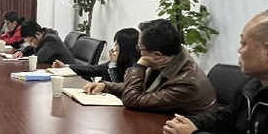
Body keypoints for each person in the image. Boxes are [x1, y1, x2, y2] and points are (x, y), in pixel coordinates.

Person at [83, 19, 216, 114]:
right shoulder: (167, 60)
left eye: (139, 48)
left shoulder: (186, 83)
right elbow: (141, 89)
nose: (139, 52)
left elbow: (132, 99)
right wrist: (106, 86)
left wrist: (139, 66)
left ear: (156, 54)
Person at [52, 27, 140, 82]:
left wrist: (113, 66)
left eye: (117, 44)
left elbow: (118, 87)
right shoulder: (118, 60)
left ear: (125, 47)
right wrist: (65, 66)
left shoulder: (134, 68)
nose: (114, 48)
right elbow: (93, 69)